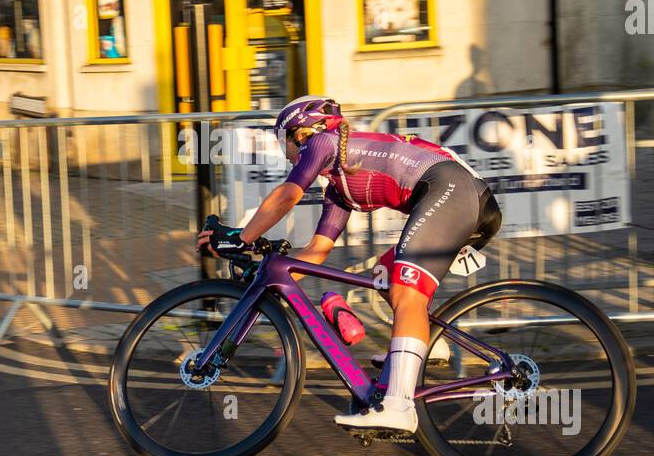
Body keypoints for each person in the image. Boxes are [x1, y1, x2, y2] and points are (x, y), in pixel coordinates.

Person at [197, 96, 502, 434]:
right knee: (385, 274)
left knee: (407, 290)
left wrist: (242, 237)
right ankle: (428, 344)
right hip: (459, 196)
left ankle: (398, 407)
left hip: (453, 190)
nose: (285, 153)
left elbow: (287, 195)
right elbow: (318, 250)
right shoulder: (339, 187)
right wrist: (266, 275)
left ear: (300, 133)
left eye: (283, 141)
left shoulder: (322, 142)